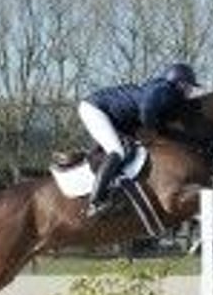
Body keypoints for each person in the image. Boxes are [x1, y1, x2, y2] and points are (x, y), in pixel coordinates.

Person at [74, 62, 200, 218]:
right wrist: (155, 131)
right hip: (95, 109)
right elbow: (146, 110)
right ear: (179, 83)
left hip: (112, 115)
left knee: (128, 148)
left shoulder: (164, 90)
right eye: (189, 86)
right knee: (118, 151)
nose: (191, 91)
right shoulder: (165, 90)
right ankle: (95, 203)